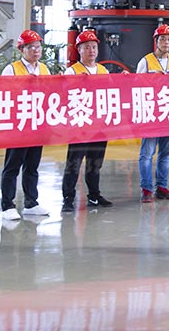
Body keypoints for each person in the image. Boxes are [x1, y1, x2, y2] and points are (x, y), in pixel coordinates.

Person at [0, 29, 51, 220]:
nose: (36, 50)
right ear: (22, 49)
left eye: (38, 47)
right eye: (31, 47)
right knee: (12, 166)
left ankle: (31, 202)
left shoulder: (44, 69)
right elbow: (3, 95)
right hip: (19, 125)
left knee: (32, 166)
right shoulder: (11, 69)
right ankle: (7, 205)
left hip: (37, 124)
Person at [61, 30, 113, 212]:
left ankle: (94, 195)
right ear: (79, 50)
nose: (91, 50)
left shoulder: (103, 70)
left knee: (95, 163)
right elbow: (65, 96)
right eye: (87, 47)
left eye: (94, 47)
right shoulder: (72, 71)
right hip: (80, 125)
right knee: (73, 163)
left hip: (98, 126)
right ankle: (68, 198)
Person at [136, 24, 169, 203]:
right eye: (162, 39)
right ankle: (146, 189)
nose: (166, 42)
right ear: (156, 41)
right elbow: (135, 86)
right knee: (147, 153)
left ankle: (161, 187)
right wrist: (151, 78)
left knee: (166, 153)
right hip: (151, 113)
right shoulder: (145, 62)